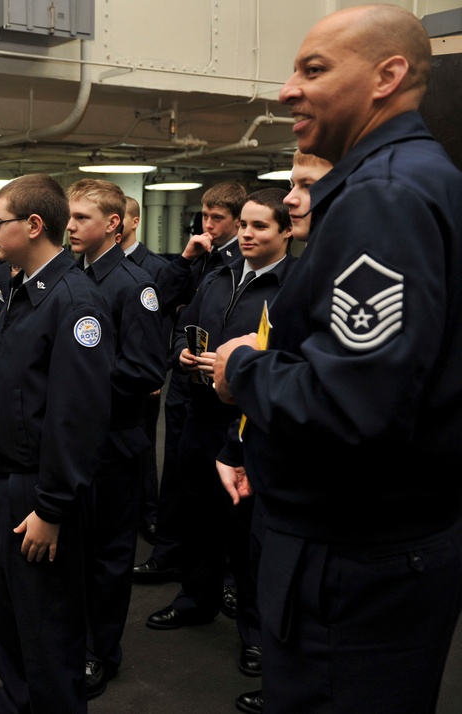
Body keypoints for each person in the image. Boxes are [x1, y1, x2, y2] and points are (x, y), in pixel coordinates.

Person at [213, 6, 462, 712]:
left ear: (387, 76)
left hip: (353, 555)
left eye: (314, 70)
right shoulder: (422, 176)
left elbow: (356, 403)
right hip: (389, 541)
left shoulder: (380, 196)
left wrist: (243, 371)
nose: (289, 89)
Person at [0, 174, 114, 714]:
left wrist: (51, 508)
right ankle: (16, 701)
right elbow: (0, 385)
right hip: (1, 474)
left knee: (48, 626)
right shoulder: (18, 286)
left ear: (32, 225)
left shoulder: (74, 301)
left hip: (37, 490)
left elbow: (78, 418)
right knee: (8, 612)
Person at [148, 188, 294, 691]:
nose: (248, 235)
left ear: (286, 232)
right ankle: (195, 600)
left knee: (246, 534)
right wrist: (183, 359)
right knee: (198, 519)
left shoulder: (291, 288)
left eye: (261, 227)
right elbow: (185, 327)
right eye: (246, 226)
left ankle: (255, 634)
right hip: (200, 419)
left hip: (251, 427)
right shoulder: (219, 273)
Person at [227, 152, 332, 714]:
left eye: (304, 186)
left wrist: (237, 371)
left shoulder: (316, 280)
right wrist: (238, 445)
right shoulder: (312, 274)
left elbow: (331, 393)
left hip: (322, 503)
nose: (290, 199)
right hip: (267, 460)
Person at [67, 179, 166, 700]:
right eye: (70, 216)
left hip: (113, 441)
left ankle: (99, 653)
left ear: (113, 224)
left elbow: (147, 369)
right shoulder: (70, 279)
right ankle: (74, 639)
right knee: (73, 550)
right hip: (72, 441)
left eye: (83, 217)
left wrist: (74, 381)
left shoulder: (132, 285)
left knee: (107, 556)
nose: (71, 225)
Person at [134, 182, 245, 584]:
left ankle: (230, 575)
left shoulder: (237, 262)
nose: (209, 225)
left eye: (219, 218)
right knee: (179, 472)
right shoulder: (200, 256)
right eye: (205, 216)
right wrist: (185, 257)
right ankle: (170, 554)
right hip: (187, 378)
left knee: (225, 481)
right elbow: (161, 300)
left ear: (238, 221)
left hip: (226, 387)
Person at [118, 194, 171, 545]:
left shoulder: (154, 267)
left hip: (142, 375)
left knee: (144, 446)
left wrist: (157, 369)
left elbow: (163, 322)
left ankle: (147, 514)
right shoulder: (86, 265)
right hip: (112, 375)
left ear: (134, 222)